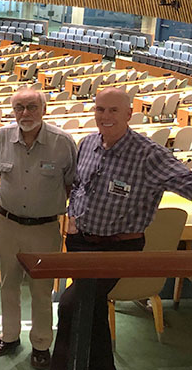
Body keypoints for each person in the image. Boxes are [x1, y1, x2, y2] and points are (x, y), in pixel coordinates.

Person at [51, 87, 192, 370]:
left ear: (129, 113)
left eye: (113, 110)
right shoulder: (87, 143)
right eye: (100, 110)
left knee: (71, 304)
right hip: (80, 242)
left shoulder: (149, 155)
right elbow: (79, 186)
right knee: (94, 309)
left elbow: (187, 183)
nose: (105, 116)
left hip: (118, 247)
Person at [0, 88, 77, 369]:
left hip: (45, 227)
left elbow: (73, 184)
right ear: (13, 111)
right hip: (7, 223)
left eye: (32, 107)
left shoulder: (63, 142)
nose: (26, 113)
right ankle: (9, 335)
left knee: (41, 289)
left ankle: (41, 343)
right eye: (20, 108)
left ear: (44, 109)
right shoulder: (1, 137)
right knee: (8, 284)